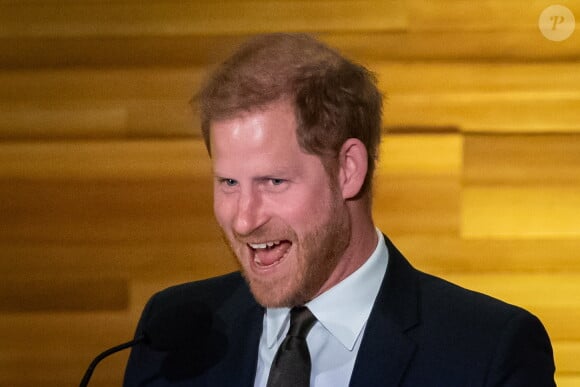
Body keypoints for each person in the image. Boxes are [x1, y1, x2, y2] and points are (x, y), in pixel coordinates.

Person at [124, 33, 555, 386]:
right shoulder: (171, 334)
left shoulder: (488, 351)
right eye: (229, 183)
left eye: (273, 182)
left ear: (348, 170)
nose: (244, 219)